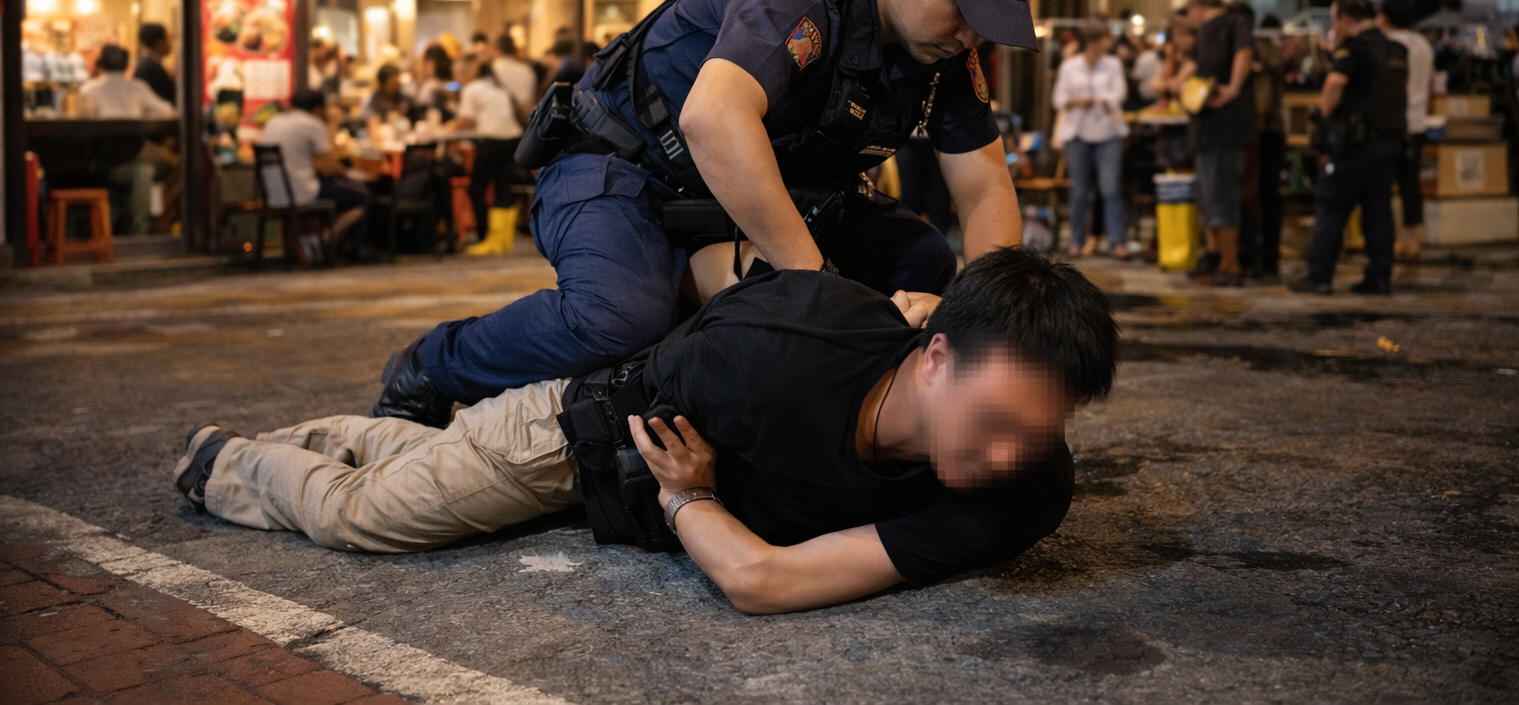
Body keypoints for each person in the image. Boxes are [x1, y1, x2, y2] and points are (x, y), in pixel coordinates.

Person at [370, 0, 1040, 427]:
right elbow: (713, 119)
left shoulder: (947, 55)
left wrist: (982, 322)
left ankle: (774, 368)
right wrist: (812, 288)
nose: (971, 34)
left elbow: (983, 187)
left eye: (990, 19)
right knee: (619, 318)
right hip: (623, 170)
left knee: (918, 260)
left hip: (747, 193)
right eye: (964, 7)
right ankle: (432, 365)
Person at [174, 247, 1116, 614]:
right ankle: (229, 463)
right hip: (574, 438)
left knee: (425, 463)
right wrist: (685, 494)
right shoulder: (779, 352)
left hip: (665, 490)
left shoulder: (1025, 487)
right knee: (370, 520)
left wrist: (690, 500)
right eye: (993, 424)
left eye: (1032, 435)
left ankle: (346, 435)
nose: (1002, 459)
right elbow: (708, 270)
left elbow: (767, 577)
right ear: (938, 355)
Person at [1291, 0, 1407, 295]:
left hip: (1356, 144)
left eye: (1334, 19)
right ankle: (1379, 277)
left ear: (1345, 18)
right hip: (1390, 141)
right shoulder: (1396, 49)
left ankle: (1319, 276)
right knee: (1378, 211)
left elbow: (1334, 85)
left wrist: (1322, 118)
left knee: (1331, 204)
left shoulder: (1355, 49)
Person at [1176, 0, 1255, 287]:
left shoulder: (1234, 23)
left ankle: (1230, 263)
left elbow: (1244, 54)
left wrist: (1233, 89)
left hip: (1226, 127)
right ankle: (1216, 257)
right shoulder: (1206, 34)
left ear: (1197, 6)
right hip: (1206, 129)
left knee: (1222, 198)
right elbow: (1193, 72)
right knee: (1209, 198)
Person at [81, 44, 178, 235]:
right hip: (136, 151)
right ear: (127, 65)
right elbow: (167, 111)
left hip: (103, 160)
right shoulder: (136, 88)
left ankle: (141, 226)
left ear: (100, 65)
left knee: (144, 171)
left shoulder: (88, 89)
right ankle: (158, 222)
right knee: (178, 166)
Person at [261, 89, 370, 258]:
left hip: (273, 194)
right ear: (318, 109)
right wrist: (350, 174)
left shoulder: (273, 121)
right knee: (362, 195)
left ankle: (325, 243)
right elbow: (329, 168)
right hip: (301, 192)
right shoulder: (312, 123)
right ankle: (331, 243)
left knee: (344, 192)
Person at [1052, 20, 1128, 258]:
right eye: (1104, 38)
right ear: (1093, 41)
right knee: (1079, 190)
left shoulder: (1113, 65)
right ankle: (1076, 241)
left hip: (1108, 132)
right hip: (1077, 133)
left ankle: (1118, 242)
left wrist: (1104, 99)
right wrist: (1076, 101)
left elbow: (1120, 92)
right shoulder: (1070, 66)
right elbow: (1058, 98)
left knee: (1110, 188)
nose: (1108, 43)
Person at [1379, 0, 1433, 261]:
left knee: (1384, 182)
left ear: (1385, 17)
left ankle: (1388, 240)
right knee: (1411, 182)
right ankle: (1411, 241)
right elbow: (1431, 83)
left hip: (1395, 121)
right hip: (1419, 121)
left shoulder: (1391, 44)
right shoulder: (1423, 43)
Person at [454, 61, 525, 254]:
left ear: (471, 70)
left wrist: (448, 126)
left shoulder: (472, 88)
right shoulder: (498, 86)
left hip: (491, 140)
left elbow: (467, 120)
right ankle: (502, 241)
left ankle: (484, 237)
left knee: (477, 187)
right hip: (513, 139)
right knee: (502, 188)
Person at [1249, 14, 1287, 281]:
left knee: (1257, 197)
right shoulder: (1280, 55)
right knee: (1270, 197)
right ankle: (1269, 258)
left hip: (1259, 132)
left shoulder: (1257, 51)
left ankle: (1260, 258)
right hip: (1274, 131)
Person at [133, 23, 177, 105]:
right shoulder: (148, 67)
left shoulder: (150, 64)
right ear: (159, 42)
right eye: (167, 39)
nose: (170, 44)